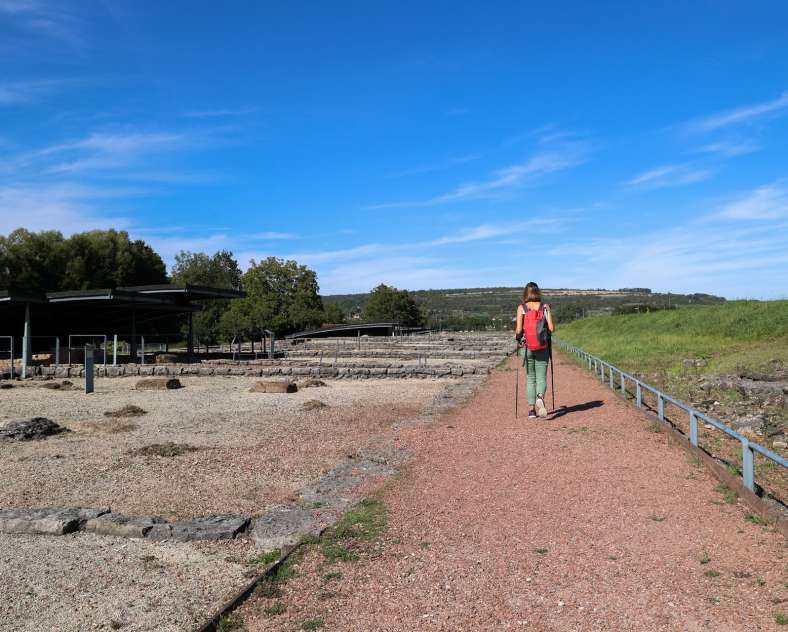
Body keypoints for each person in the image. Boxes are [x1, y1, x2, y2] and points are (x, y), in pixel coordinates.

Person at [515, 282, 555, 418]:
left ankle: (531, 410)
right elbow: (551, 329)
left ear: (525, 293)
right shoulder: (545, 307)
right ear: (538, 292)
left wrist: (518, 338)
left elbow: (519, 330)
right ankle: (540, 397)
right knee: (542, 376)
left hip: (527, 348)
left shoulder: (522, 308)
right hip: (543, 346)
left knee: (530, 378)